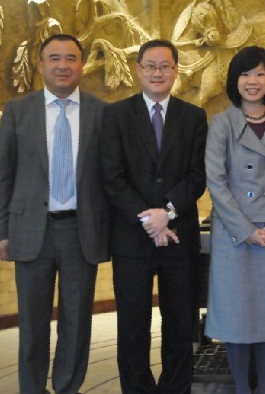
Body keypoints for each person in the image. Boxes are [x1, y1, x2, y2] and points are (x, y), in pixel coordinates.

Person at [0, 33, 109, 394]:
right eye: (54, 58)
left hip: (80, 231)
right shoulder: (18, 111)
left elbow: (111, 177)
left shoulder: (101, 112)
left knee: (77, 320)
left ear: (82, 65)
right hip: (31, 231)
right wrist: (1, 231)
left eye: (71, 58)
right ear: (40, 64)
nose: (62, 65)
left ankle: (67, 387)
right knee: (32, 323)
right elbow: (3, 173)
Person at [100, 39, 207, 394]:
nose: (157, 72)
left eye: (165, 66)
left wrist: (168, 213)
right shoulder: (115, 115)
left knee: (180, 323)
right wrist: (149, 220)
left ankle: (175, 389)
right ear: (138, 70)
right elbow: (112, 177)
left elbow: (197, 176)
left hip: (179, 236)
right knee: (133, 325)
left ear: (176, 71)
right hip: (132, 239)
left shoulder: (194, 117)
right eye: (150, 66)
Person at [204, 45, 265, 394]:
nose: (252, 81)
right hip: (234, 235)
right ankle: (243, 388)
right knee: (236, 317)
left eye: (259, 73)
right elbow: (216, 182)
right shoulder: (221, 124)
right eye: (245, 74)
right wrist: (246, 231)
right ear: (235, 80)